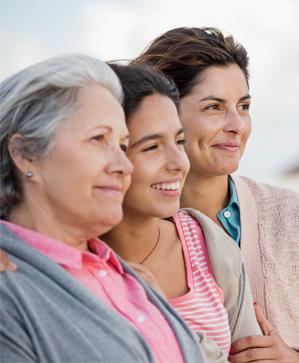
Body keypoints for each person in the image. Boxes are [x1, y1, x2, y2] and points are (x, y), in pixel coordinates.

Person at [133, 27, 299, 362]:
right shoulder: (132, 232)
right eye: (214, 107)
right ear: (164, 113)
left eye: (243, 106)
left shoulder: (292, 215)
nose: (237, 125)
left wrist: (298, 359)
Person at [0, 54, 205, 362]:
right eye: (98, 139)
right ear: (26, 155)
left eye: (122, 145)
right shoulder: (10, 288)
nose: (123, 165)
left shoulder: (124, 275)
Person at [102, 63, 261, 361]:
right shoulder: (72, 262)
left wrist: (161, 317)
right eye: (151, 147)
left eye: (178, 141)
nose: (179, 162)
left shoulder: (208, 244)